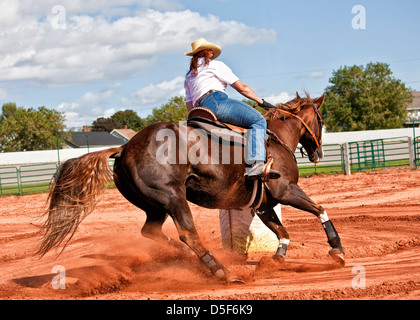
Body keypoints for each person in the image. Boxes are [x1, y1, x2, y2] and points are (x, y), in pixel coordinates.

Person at [184, 38, 277, 179]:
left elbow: (189, 106)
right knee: (258, 121)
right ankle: (256, 165)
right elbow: (243, 88)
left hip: (199, 112)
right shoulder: (216, 65)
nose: (212, 54)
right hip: (217, 101)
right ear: (207, 52)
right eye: (211, 51)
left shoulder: (189, 76)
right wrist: (262, 102)